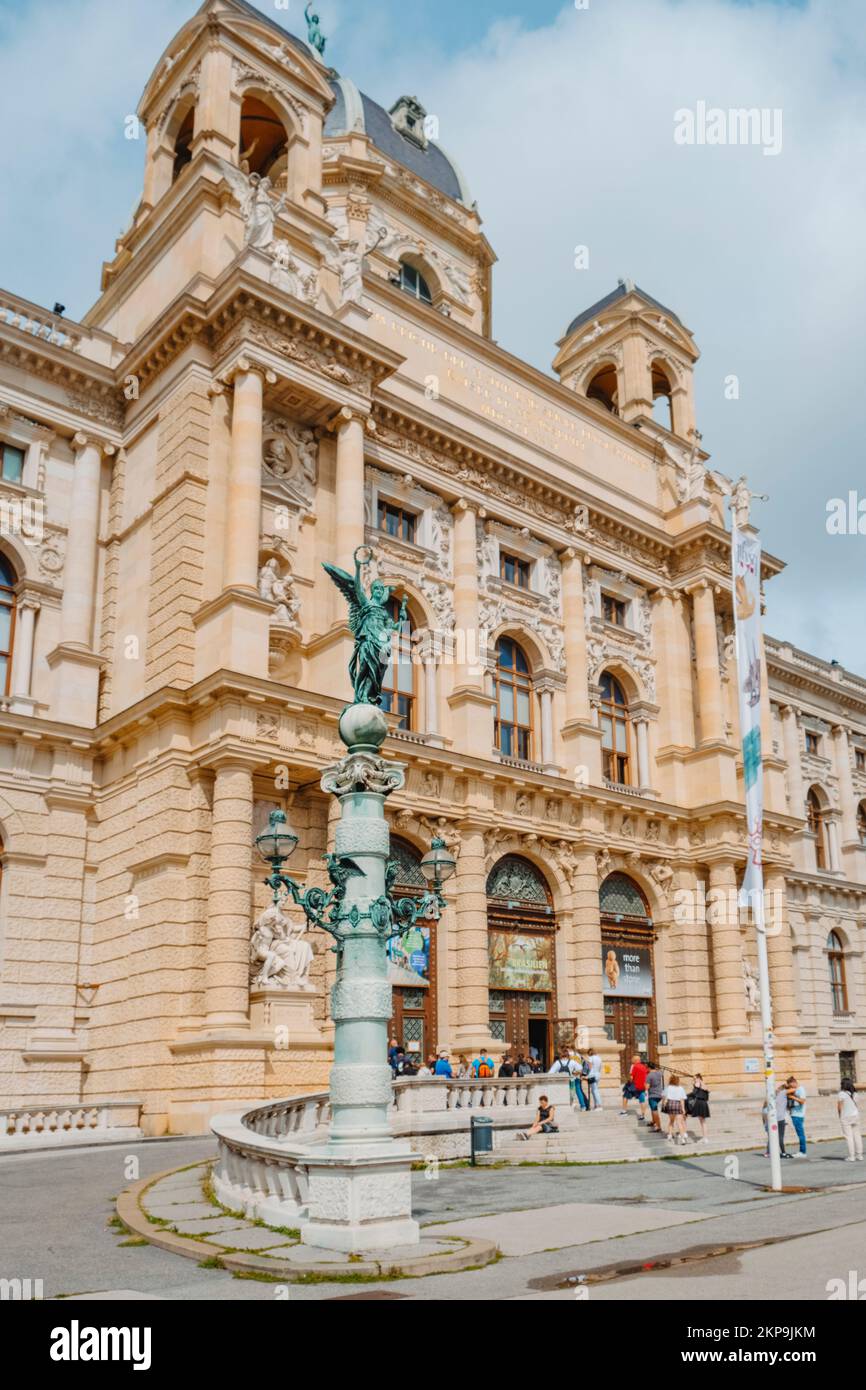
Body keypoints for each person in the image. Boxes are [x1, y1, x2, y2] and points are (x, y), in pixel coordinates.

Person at [837, 1078, 863, 1161]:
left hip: (846, 1116)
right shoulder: (855, 1094)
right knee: (857, 1135)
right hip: (855, 1115)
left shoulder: (841, 1094)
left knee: (849, 1137)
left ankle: (852, 1156)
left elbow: (839, 1107)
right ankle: (859, 1155)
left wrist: (840, 1116)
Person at [662, 1072, 688, 1145]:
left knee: (671, 1121)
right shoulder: (680, 1088)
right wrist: (683, 1109)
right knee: (679, 1122)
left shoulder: (668, 1088)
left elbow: (663, 1097)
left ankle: (670, 1135)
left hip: (670, 1104)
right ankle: (682, 1139)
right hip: (678, 1104)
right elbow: (682, 1099)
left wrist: (663, 1104)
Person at [621, 1054, 649, 1121]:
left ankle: (624, 1111)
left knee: (625, 1096)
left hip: (634, 1085)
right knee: (642, 1100)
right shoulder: (644, 1067)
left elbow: (631, 1077)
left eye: (632, 1059)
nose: (631, 1060)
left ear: (635, 1060)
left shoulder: (634, 1066)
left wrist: (629, 1082)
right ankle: (642, 1115)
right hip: (642, 1086)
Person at [687, 1073, 711, 1142]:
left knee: (702, 1122)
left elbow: (694, 1093)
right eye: (693, 1079)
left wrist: (686, 1095)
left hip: (699, 1103)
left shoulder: (697, 1083)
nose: (694, 1080)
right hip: (704, 1103)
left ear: (699, 1078)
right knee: (703, 1122)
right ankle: (705, 1138)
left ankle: (705, 1138)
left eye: (695, 1078)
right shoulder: (704, 1084)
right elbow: (707, 1095)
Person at [787, 1075, 807, 1157]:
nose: (791, 1087)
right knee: (800, 1133)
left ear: (794, 1082)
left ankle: (802, 1152)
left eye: (791, 1085)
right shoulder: (797, 1090)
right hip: (795, 1113)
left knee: (800, 1133)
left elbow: (802, 1101)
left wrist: (792, 1097)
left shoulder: (800, 1089)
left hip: (798, 1114)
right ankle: (802, 1151)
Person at [646, 1061, 665, 1133]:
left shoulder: (649, 1075)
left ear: (649, 1067)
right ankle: (653, 1122)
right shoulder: (659, 1073)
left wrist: (645, 1085)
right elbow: (660, 1070)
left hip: (652, 1095)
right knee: (653, 1109)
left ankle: (658, 1126)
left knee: (654, 1111)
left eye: (647, 1067)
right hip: (660, 1094)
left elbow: (647, 1087)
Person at [774, 1082, 792, 1158]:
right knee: (780, 1137)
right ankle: (783, 1152)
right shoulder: (783, 1093)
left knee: (775, 1136)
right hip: (780, 1119)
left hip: (774, 1119)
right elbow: (793, 1089)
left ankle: (770, 1152)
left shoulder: (776, 1095)